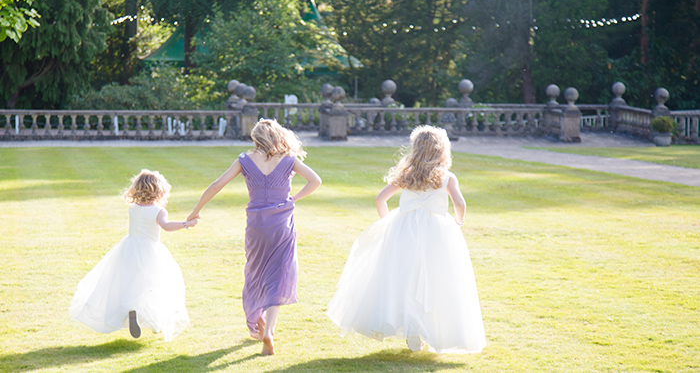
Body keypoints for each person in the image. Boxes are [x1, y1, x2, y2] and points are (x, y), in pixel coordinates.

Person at [327, 125, 486, 354]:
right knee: (435, 278)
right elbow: (460, 204)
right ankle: (428, 329)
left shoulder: (405, 175)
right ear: (442, 151)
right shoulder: (447, 178)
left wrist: (387, 223)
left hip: (404, 229)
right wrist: (458, 221)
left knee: (405, 277)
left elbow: (380, 199)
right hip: (437, 232)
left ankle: (413, 327)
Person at [187, 118, 321, 356]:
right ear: (278, 136)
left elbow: (217, 185)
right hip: (281, 223)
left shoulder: (244, 160)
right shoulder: (289, 159)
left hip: (256, 225)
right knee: (277, 275)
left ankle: (258, 324)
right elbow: (315, 181)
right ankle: (268, 330)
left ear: (255, 138)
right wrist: (293, 199)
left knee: (255, 271)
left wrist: (196, 210)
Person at [70, 169, 197, 341]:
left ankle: (132, 311)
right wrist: (187, 224)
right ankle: (154, 322)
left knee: (131, 284)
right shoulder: (159, 211)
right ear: (159, 191)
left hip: (129, 249)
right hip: (150, 252)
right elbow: (166, 226)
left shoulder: (133, 208)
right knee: (154, 285)